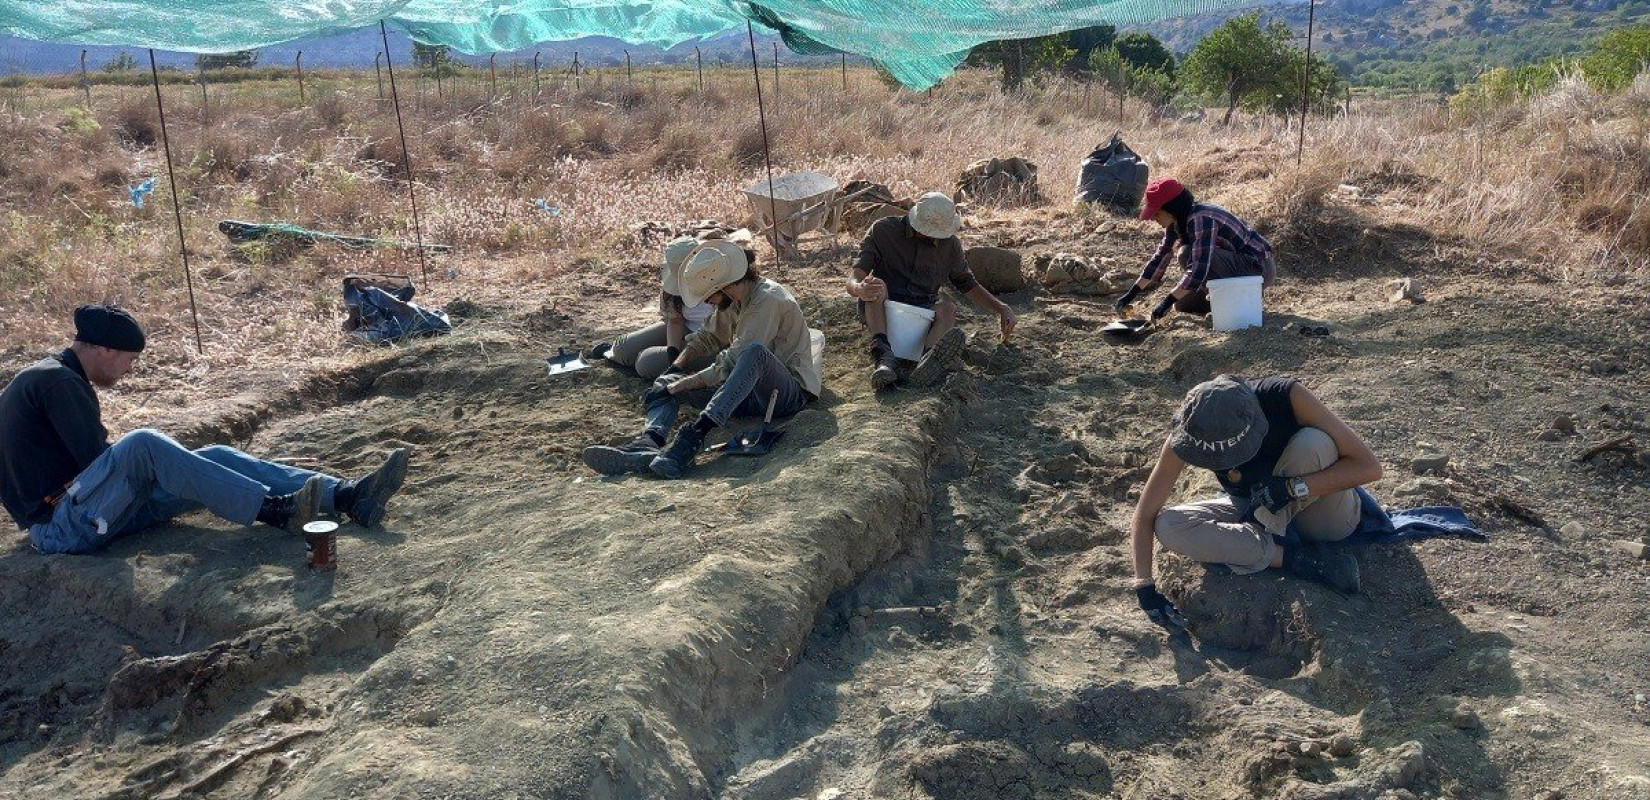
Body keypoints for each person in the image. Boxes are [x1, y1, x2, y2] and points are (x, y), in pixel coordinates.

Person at [0, 305, 410, 555]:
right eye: (129, 359)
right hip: (61, 530)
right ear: (104, 349)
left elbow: (96, 472)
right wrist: (165, 465)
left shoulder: (52, 378)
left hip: (81, 515)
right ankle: (273, 510)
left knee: (213, 455)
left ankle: (347, 495)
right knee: (143, 444)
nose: (129, 370)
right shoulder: (59, 383)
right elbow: (100, 465)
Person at [1128, 375, 1382, 626]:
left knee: (1314, 443)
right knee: (1169, 525)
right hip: (1255, 508)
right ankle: (1298, 560)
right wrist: (1144, 585)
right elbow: (1146, 510)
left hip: (1319, 512)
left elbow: (1369, 467)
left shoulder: (1285, 397)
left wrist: (1291, 488)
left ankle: (1259, 546)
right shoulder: (1194, 427)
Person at [581, 241, 821, 479]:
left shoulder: (767, 300)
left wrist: (684, 384)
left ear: (725, 286)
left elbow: (736, 360)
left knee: (753, 353)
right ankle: (649, 441)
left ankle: (694, 435)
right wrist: (674, 370)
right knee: (667, 381)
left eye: (708, 297)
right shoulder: (735, 299)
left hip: (785, 394)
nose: (707, 303)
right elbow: (707, 336)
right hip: (748, 393)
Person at [848, 192, 1016, 391]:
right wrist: (859, 288)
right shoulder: (883, 230)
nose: (933, 238)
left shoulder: (951, 245)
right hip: (884, 310)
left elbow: (967, 284)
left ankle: (927, 363)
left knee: (948, 308)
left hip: (922, 313)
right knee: (875, 284)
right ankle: (883, 356)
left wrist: (1001, 308)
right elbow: (856, 274)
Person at [1113, 178, 1276, 323]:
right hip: (1235, 265)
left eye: (1157, 214)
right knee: (1183, 305)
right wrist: (1131, 294)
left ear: (1172, 208)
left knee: (1186, 253)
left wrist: (1165, 303)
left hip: (1257, 269)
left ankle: (1240, 301)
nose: (1154, 219)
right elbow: (1161, 256)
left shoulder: (1200, 218)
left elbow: (1198, 268)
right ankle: (1225, 301)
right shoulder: (1178, 221)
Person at [591, 236, 716, 381]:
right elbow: (675, 321)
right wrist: (672, 352)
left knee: (645, 362)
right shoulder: (674, 291)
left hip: (713, 340)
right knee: (622, 350)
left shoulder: (719, 282)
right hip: (687, 329)